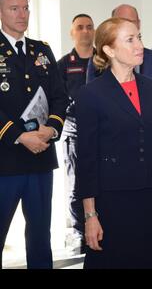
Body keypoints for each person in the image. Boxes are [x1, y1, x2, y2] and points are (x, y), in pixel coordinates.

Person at [74, 17, 152, 269]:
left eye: (139, 37)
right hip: (112, 202)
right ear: (109, 50)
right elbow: (87, 160)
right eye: (130, 40)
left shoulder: (150, 88)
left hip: (150, 198)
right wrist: (90, 216)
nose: (139, 45)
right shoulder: (91, 94)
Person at [0, 0, 68, 268]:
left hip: (40, 158)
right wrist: (18, 136)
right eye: (14, 8)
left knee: (40, 236)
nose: (22, 14)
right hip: (5, 161)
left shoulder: (42, 51)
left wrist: (51, 129)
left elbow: (60, 96)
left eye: (26, 7)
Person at [86, 4, 152, 170]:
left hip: (151, 151)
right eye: (122, 22)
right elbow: (91, 118)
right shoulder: (96, 66)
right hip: (113, 156)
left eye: (133, 23)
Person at [57, 13, 95, 253]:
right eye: (79, 27)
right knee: (75, 186)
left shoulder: (103, 62)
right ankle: (80, 232)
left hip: (100, 131)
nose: (85, 31)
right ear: (72, 32)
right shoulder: (63, 64)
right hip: (73, 132)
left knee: (100, 183)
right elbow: (58, 100)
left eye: (89, 27)